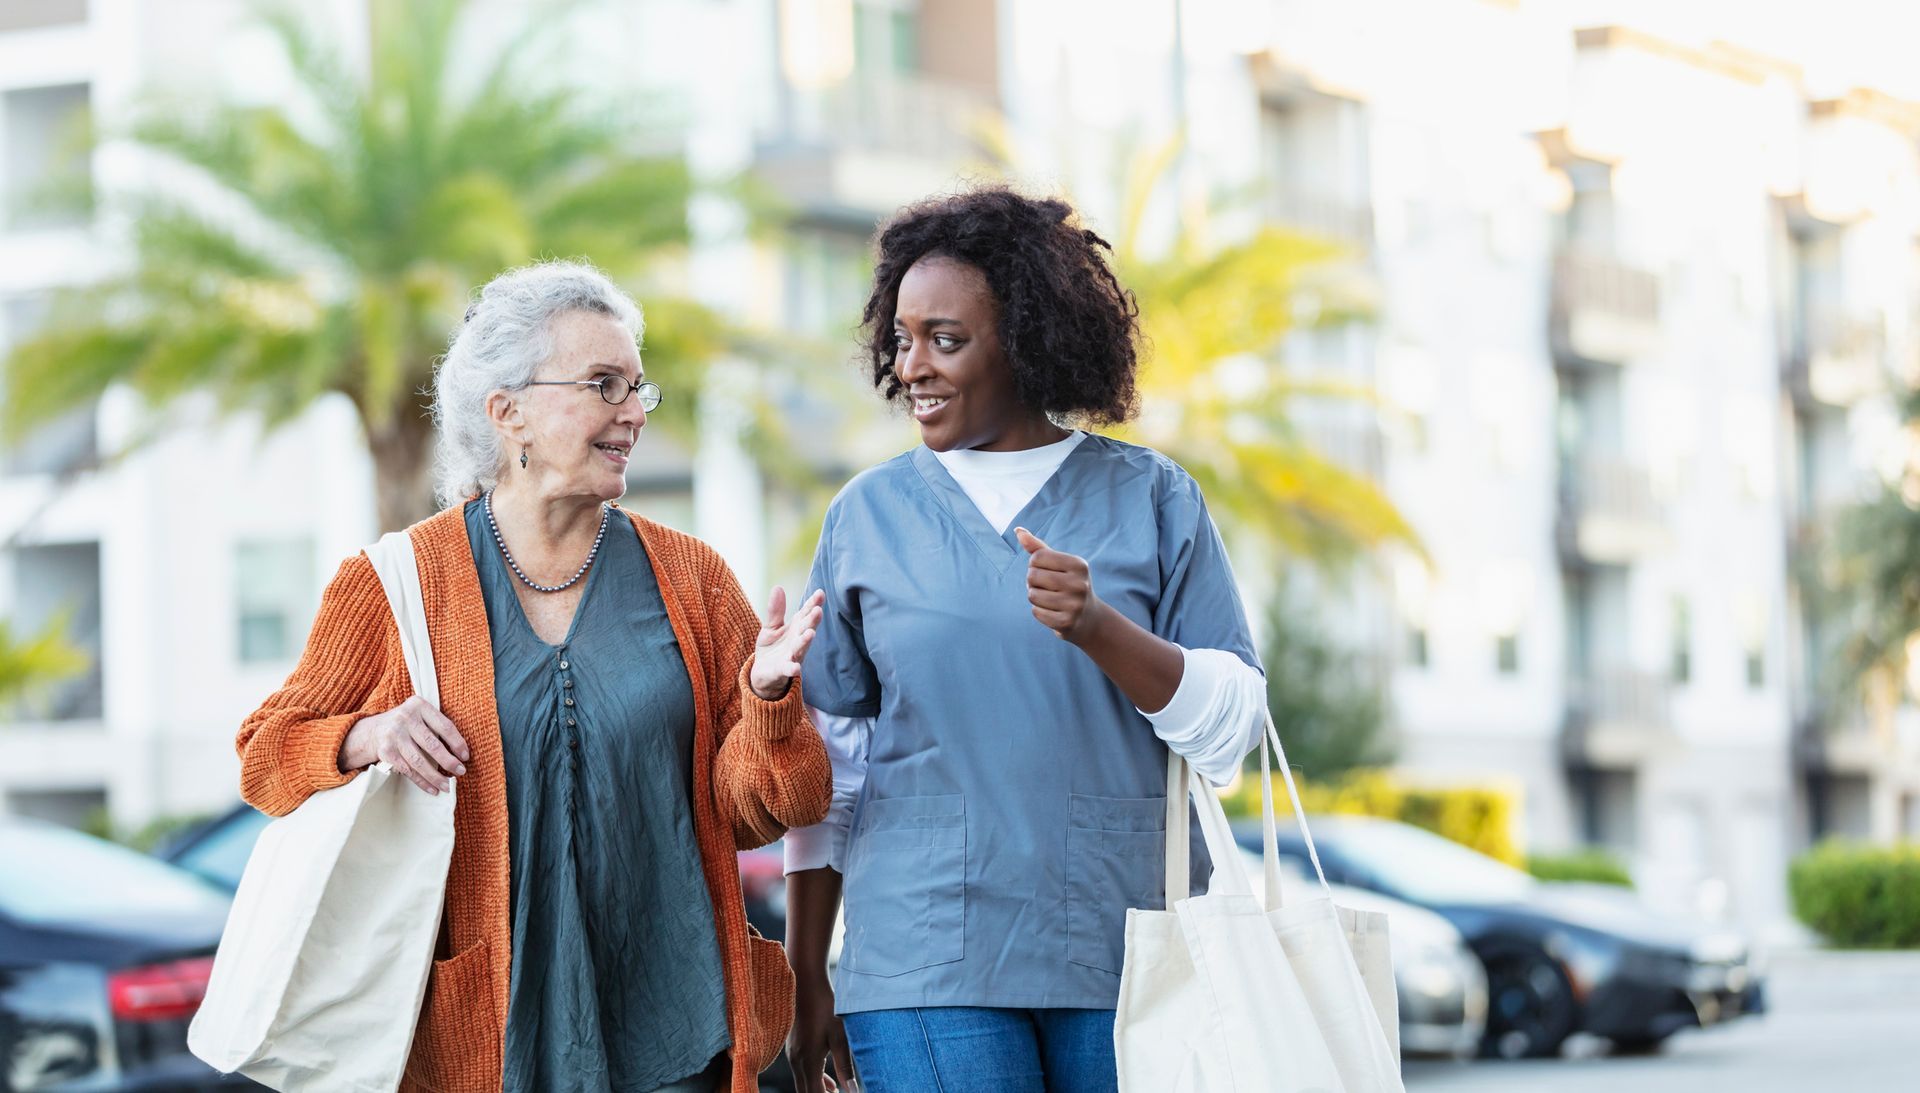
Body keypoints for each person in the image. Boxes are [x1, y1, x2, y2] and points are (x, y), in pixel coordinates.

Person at [235, 260, 832, 1093]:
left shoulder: (691, 577)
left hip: (676, 1025)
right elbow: (264, 756)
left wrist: (769, 705)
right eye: (602, 384)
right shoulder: (399, 581)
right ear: (506, 409)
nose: (633, 413)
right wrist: (368, 735)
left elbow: (767, 812)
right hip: (486, 1038)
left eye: (637, 388)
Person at [783, 188, 1270, 1092]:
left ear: (1030, 337)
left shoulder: (1154, 499)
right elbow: (834, 769)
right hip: (925, 957)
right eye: (901, 338)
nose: (913, 366)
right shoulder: (866, 516)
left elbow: (1232, 727)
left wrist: (1099, 628)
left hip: (1128, 947)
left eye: (947, 339)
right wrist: (808, 967)